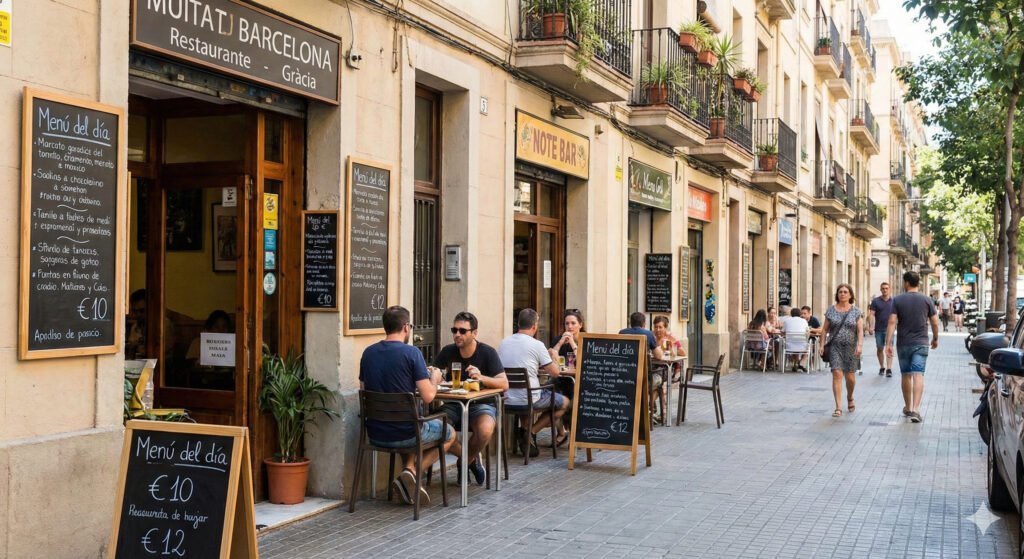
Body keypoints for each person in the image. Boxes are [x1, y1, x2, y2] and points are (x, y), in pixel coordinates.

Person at [359, 306, 455, 506]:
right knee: (449, 433)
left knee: (408, 420)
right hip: (406, 433)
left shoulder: (368, 353)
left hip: (375, 432)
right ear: (405, 327)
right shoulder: (412, 353)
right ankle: (410, 473)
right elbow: (429, 396)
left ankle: (408, 474)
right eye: (410, 326)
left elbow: (364, 389)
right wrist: (435, 378)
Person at [432, 311, 508, 486]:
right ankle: (470, 459)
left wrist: (482, 378)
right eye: (454, 330)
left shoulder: (487, 352)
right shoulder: (448, 351)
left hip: (481, 404)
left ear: (474, 333)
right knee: (437, 429)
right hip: (454, 403)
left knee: (485, 430)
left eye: (462, 331)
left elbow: (504, 384)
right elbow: (434, 372)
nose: (457, 334)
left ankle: (464, 460)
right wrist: (437, 377)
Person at [499, 308, 570, 456]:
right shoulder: (537, 345)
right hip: (528, 398)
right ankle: (530, 432)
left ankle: (527, 436)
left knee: (532, 392)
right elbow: (555, 372)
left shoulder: (504, 343)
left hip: (506, 399)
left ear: (518, 324)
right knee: (564, 402)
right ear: (534, 326)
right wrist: (555, 357)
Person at [885, 271, 939, 423]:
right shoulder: (927, 300)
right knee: (918, 374)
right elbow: (935, 322)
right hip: (921, 343)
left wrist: (888, 343)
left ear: (906, 283)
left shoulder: (898, 300)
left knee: (906, 375)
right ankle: (916, 409)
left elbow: (891, 322)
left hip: (904, 343)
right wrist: (935, 338)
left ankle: (908, 407)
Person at [820, 284, 864, 418]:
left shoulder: (856, 311)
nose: (843, 294)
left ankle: (850, 396)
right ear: (837, 294)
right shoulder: (831, 310)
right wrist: (822, 345)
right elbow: (824, 330)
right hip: (835, 347)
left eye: (845, 292)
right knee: (837, 374)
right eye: (840, 292)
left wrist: (860, 345)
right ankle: (838, 407)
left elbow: (860, 330)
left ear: (850, 295)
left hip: (851, 347)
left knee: (850, 377)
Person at [652, 315, 685, 422]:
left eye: (660, 327)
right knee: (654, 384)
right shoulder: (651, 338)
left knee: (658, 384)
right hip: (654, 369)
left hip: (668, 370)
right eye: (656, 327)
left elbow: (683, 353)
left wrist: (673, 345)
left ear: (665, 328)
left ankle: (651, 409)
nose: (657, 330)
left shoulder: (670, 338)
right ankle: (653, 411)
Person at [866, 282, 895, 378]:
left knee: (889, 348)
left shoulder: (894, 301)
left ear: (889, 289)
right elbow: (871, 314)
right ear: (880, 289)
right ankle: (882, 366)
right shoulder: (876, 301)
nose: (885, 290)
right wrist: (870, 326)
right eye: (883, 288)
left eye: (886, 288)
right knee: (880, 348)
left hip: (890, 330)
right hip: (878, 329)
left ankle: (889, 369)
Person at [781, 307, 809, 372]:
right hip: (802, 346)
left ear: (791, 314)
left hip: (789, 346)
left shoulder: (787, 321)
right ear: (800, 314)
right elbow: (807, 332)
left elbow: (782, 332)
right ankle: (801, 363)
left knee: (790, 345)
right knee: (808, 346)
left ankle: (794, 363)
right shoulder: (804, 321)